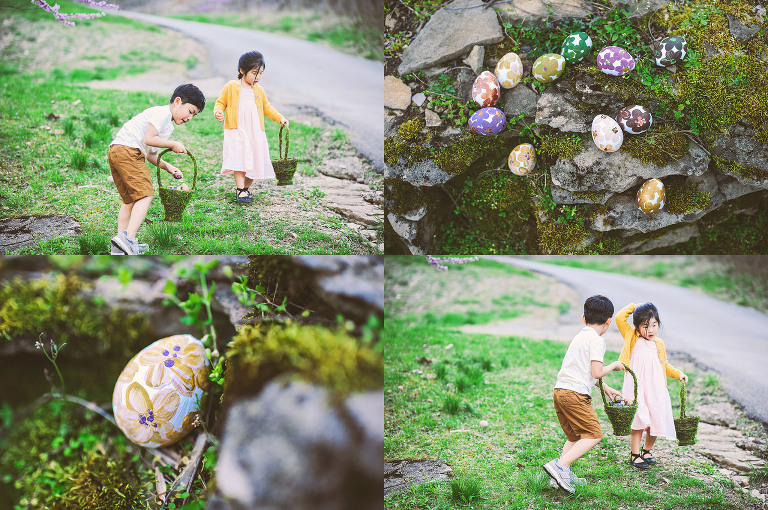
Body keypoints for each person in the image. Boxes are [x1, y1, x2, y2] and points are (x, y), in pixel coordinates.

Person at [108, 83, 205, 255]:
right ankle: (129, 239)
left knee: (129, 201)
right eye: (190, 111)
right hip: (128, 151)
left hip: (118, 150)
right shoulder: (162, 113)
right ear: (177, 101)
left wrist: (168, 166)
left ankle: (119, 247)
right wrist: (173, 144)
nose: (190, 118)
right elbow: (148, 139)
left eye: (194, 115)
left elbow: (151, 154)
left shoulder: (167, 125)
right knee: (146, 195)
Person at [543, 295, 625, 494]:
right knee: (593, 434)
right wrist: (614, 365)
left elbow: (585, 371)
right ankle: (560, 466)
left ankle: (560, 475)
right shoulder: (597, 340)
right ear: (608, 322)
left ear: (583, 318)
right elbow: (597, 372)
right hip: (575, 395)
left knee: (574, 436)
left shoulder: (580, 337)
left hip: (560, 391)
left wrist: (605, 388)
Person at [617, 302, 687, 469]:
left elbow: (664, 364)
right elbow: (619, 317)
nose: (650, 330)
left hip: (656, 388)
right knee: (637, 421)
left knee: (656, 418)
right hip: (636, 387)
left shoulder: (658, 344)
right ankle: (635, 454)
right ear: (636, 326)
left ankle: (646, 450)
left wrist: (678, 374)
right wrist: (635, 306)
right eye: (645, 326)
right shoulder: (632, 336)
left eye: (654, 325)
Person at [213, 50, 289, 204]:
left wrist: (279, 118)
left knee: (255, 158)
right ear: (242, 70)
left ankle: (245, 189)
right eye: (255, 73)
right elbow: (221, 102)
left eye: (261, 73)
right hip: (236, 129)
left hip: (255, 131)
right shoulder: (231, 86)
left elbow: (267, 108)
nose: (258, 77)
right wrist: (218, 112)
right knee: (239, 157)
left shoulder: (259, 90)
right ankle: (240, 189)